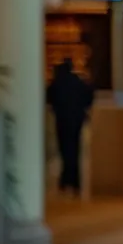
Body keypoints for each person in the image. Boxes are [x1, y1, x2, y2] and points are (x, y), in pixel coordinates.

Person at [45, 61, 94, 194]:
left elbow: (48, 98)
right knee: (75, 149)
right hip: (77, 120)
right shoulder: (78, 82)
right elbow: (89, 96)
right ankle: (75, 181)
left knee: (64, 150)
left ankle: (65, 180)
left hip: (62, 120)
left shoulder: (57, 84)